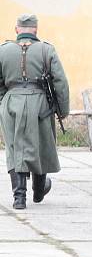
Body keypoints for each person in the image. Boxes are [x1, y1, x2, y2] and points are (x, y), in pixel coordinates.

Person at [0, 14, 69, 210]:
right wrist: (62, 109)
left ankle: (19, 198)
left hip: (11, 103)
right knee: (42, 146)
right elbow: (60, 83)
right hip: (40, 104)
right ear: (36, 30)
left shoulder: (2, 51)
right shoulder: (47, 50)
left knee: (14, 149)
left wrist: (3, 102)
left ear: (16, 30)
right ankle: (39, 191)